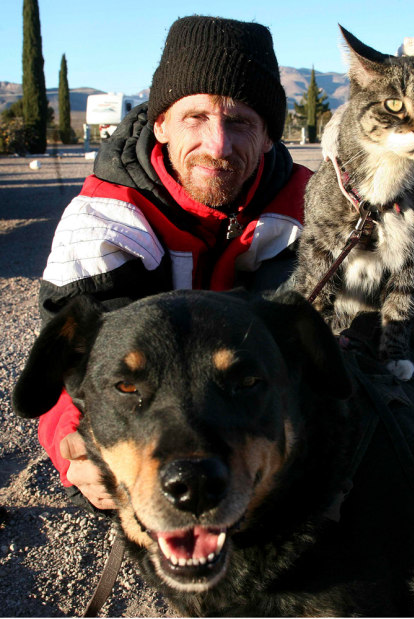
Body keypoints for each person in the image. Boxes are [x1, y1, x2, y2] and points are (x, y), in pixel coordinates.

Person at [37, 15, 313, 512]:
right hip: (154, 423)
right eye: (196, 118)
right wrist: (67, 442)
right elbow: (83, 364)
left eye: (241, 122)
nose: (218, 145)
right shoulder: (102, 220)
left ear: (270, 136)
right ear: (160, 122)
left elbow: (315, 354)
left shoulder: (309, 210)